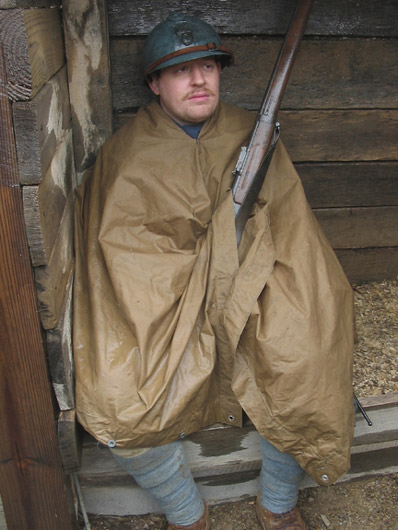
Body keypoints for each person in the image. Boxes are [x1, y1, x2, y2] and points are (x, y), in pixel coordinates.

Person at [73, 12, 355, 530]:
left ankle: (276, 501)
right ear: (155, 84)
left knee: (305, 352)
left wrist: (243, 266)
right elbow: (125, 260)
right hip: (163, 302)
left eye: (208, 65)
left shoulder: (256, 132)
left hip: (259, 280)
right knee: (117, 396)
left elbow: (291, 230)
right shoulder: (124, 155)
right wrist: (205, 272)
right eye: (180, 71)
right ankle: (186, 510)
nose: (198, 79)